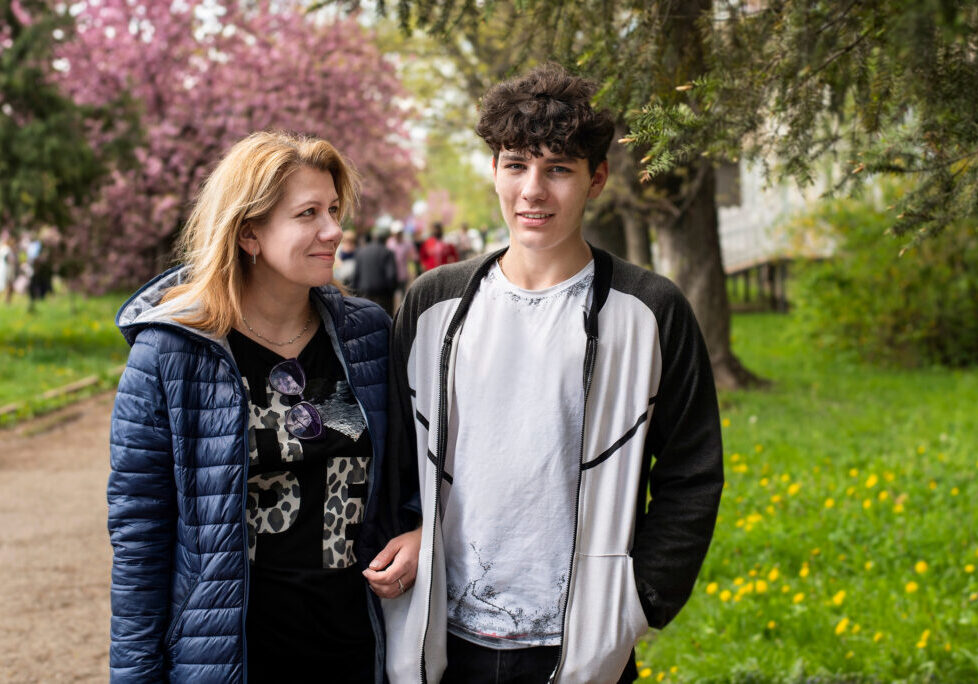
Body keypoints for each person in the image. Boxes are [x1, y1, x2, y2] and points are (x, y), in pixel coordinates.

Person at [382, 64, 723, 684]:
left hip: (583, 639)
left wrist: (640, 599)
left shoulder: (650, 311)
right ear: (494, 169)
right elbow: (400, 451)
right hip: (445, 634)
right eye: (516, 165)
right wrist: (410, 529)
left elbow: (691, 471)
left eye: (558, 169)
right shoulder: (434, 304)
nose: (532, 191)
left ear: (597, 179)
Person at [108, 130, 420, 683]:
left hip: (356, 645)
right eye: (307, 214)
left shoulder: (368, 334)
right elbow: (140, 539)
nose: (334, 230)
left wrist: (419, 534)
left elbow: (410, 472)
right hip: (233, 657)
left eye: (333, 210)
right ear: (249, 232)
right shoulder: (170, 354)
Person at [352, 227, 398, 315]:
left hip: (364, 294)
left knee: (366, 319)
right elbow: (391, 276)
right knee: (384, 320)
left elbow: (356, 275)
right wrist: (392, 292)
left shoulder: (361, 252)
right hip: (383, 296)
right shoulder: (387, 252)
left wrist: (355, 295)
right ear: (385, 239)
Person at [385, 220, 417, 310]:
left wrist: (412, 271)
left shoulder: (407, 244)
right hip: (392, 275)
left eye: (399, 233)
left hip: (403, 274)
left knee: (403, 298)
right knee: (393, 298)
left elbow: (413, 257)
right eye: (396, 233)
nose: (398, 235)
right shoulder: (389, 243)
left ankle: (401, 313)